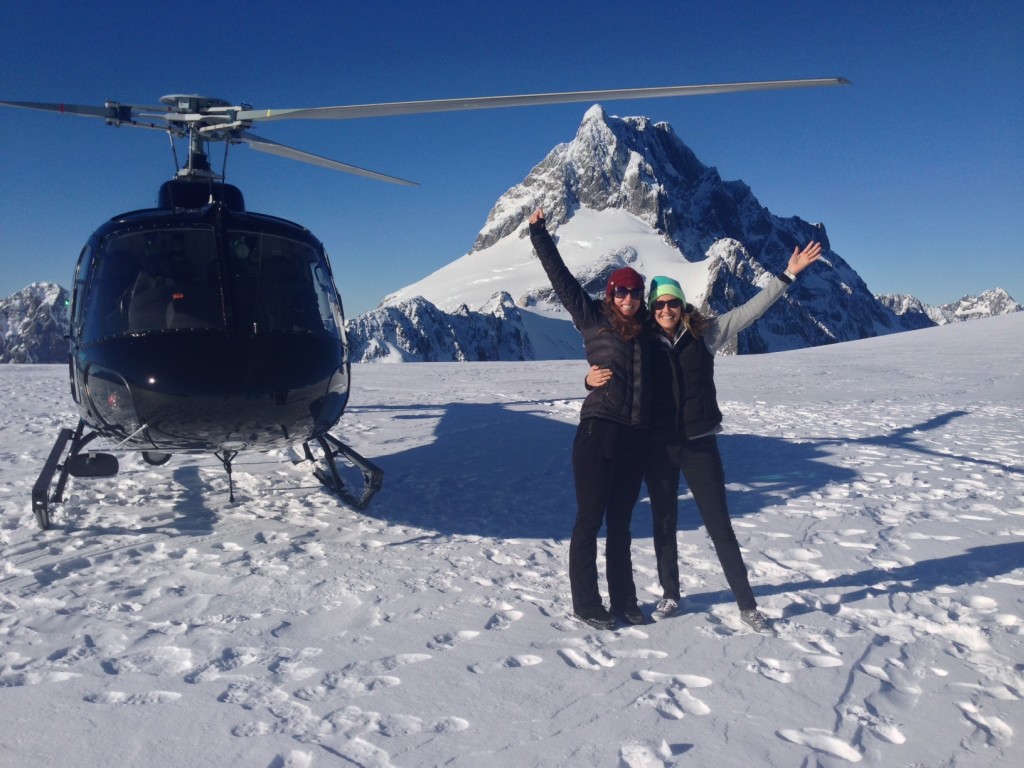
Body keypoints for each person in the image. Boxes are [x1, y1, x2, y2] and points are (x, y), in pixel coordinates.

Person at [586, 241, 822, 633]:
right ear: (651, 308)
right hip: (657, 447)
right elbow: (605, 342)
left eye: (672, 304)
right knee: (664, 522)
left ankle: (746, 604)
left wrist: (788, 275)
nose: (665, 311)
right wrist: (588, 378)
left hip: (699, 445)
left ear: (682, 306)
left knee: (719, 526)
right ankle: (670, 593)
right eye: (659, 305)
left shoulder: (705, 334)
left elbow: (750, 311)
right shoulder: (641, 340)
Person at [529, 208, 652, 630]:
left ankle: (625, 602)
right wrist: (538, 232)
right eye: (621, 292)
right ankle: (586, 603)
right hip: (598, 431)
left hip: (634, 439)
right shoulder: (593, 320)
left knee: (621, 525)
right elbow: (561, 281)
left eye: (635, 293)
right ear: (610, 294)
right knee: (591, 518)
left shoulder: (650, 333)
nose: (628, 300)